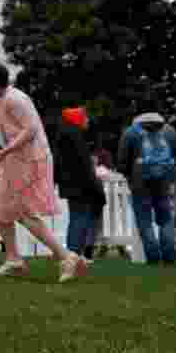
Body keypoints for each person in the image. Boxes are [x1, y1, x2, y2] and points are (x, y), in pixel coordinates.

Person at [0, 62, 88, 281]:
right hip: (19, 160)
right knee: (2, 209)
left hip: (29, 162)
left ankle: (67, 258)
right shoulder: (7, 98)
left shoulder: (13, 99)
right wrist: (6, 153)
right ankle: (14, 260)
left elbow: (30, 130)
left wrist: (5, 151)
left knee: (24, 213)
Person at [117, 109, 176, 267]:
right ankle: (169, 258)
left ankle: (153, 258)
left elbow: (122, 161)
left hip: (139, 184)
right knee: (166, 220)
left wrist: (129, 175)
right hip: (163, 182)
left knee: (145, 222)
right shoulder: (170, 132)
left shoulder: (131, 132)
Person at [54, 106, 106, 264]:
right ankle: (74, 255)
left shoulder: (63, 135)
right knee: (80, 218)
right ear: (77, 119)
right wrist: (94, 185)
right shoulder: (76, 136)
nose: (87, 120)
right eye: (84, 117)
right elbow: (85, 165)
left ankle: (73, 254)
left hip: (69, 184)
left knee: (75, 218)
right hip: (81, 185)